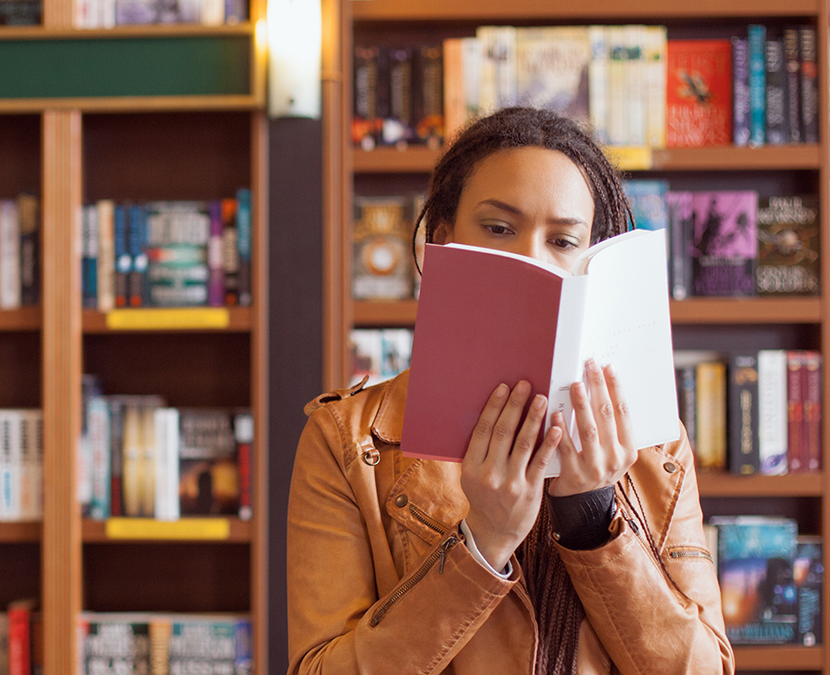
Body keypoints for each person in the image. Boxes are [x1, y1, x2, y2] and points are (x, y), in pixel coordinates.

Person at [288, 107, 733, 675]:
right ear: (443, 242)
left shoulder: (656, 446)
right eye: (499, 229)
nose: (531, 259)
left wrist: (594, 519)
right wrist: (483, 541)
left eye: (564, 241)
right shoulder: (348, 443)